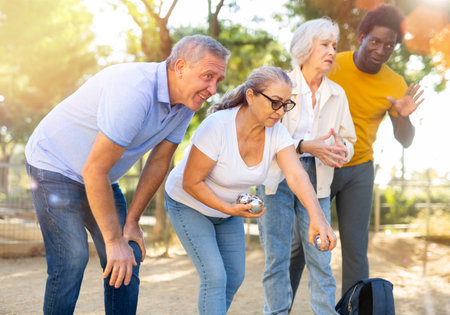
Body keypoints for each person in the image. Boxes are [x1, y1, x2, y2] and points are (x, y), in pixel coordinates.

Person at [25, 34, 230, 315]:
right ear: (180, 67)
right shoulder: (134, 90)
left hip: (100, 177)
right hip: (53, 165)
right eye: (208, 76)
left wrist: (131, 222)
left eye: (218, 80)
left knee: (129, 254)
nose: (213, 88)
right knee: (72, 258)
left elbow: (158, 163)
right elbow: (94, 169)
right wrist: (112, 241)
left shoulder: (185, 104)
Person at [164, 66, 337, 315]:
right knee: (214, 276)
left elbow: (296, 175)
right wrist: (228, 208)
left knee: (234, 276)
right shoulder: (217, 126)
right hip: (188, 203)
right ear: (251, 96)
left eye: (286, 105)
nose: (280, 112)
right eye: (275, 103)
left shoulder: (277, 133)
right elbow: (191, 182)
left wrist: (317, 218)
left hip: (228, 211)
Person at [289, 4, 425, 298]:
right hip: (318, 164)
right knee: (301, 242)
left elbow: (405, 141)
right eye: (375, 41)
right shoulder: (331, 63)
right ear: (362, 36)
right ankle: (280, 305)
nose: (381, 49)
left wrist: (403, 115)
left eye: (389, 45)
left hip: (359, 169)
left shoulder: (395, 83)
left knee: (355, 249)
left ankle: (353, 308)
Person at [258, 18, 357, 315]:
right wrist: (305, 146)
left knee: (320, 256)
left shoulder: (338, 94)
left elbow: (349, 140)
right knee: (276, 258)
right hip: (277, 177)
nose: (332, 52)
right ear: (305, 48)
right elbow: (263, 134)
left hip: (319, 179)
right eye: (324, 45)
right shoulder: (281, 86)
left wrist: (340, 151)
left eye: (334, 46)